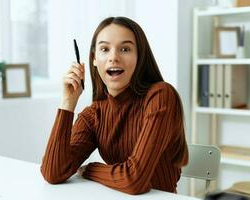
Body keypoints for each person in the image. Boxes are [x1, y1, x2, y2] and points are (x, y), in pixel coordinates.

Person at [41, 16, 188, 195]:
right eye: (104, 49)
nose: (114, 58)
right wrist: (67, 103)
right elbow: (53, 172)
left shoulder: (160, 96)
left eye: (125, 49)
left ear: (139, 56)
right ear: (94, 59)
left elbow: (134, 180)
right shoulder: (95, 114)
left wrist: (90, 169)